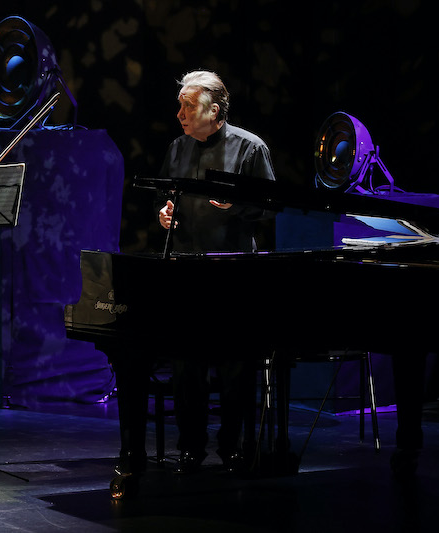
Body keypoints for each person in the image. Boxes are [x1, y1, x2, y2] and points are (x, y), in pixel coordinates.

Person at [156, 70, 276, 474]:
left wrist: (235, 206)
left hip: (232, 275)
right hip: (186, 272)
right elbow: (169, 196)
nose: (181, 113)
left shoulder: (249, 148)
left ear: (216, 110)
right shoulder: (177, 148)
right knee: (187, 369)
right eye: (181, 105)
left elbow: (270, 207)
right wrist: (166, 213)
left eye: (189, 106)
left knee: (234, 369)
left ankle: (233, 447)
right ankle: (190, 446)